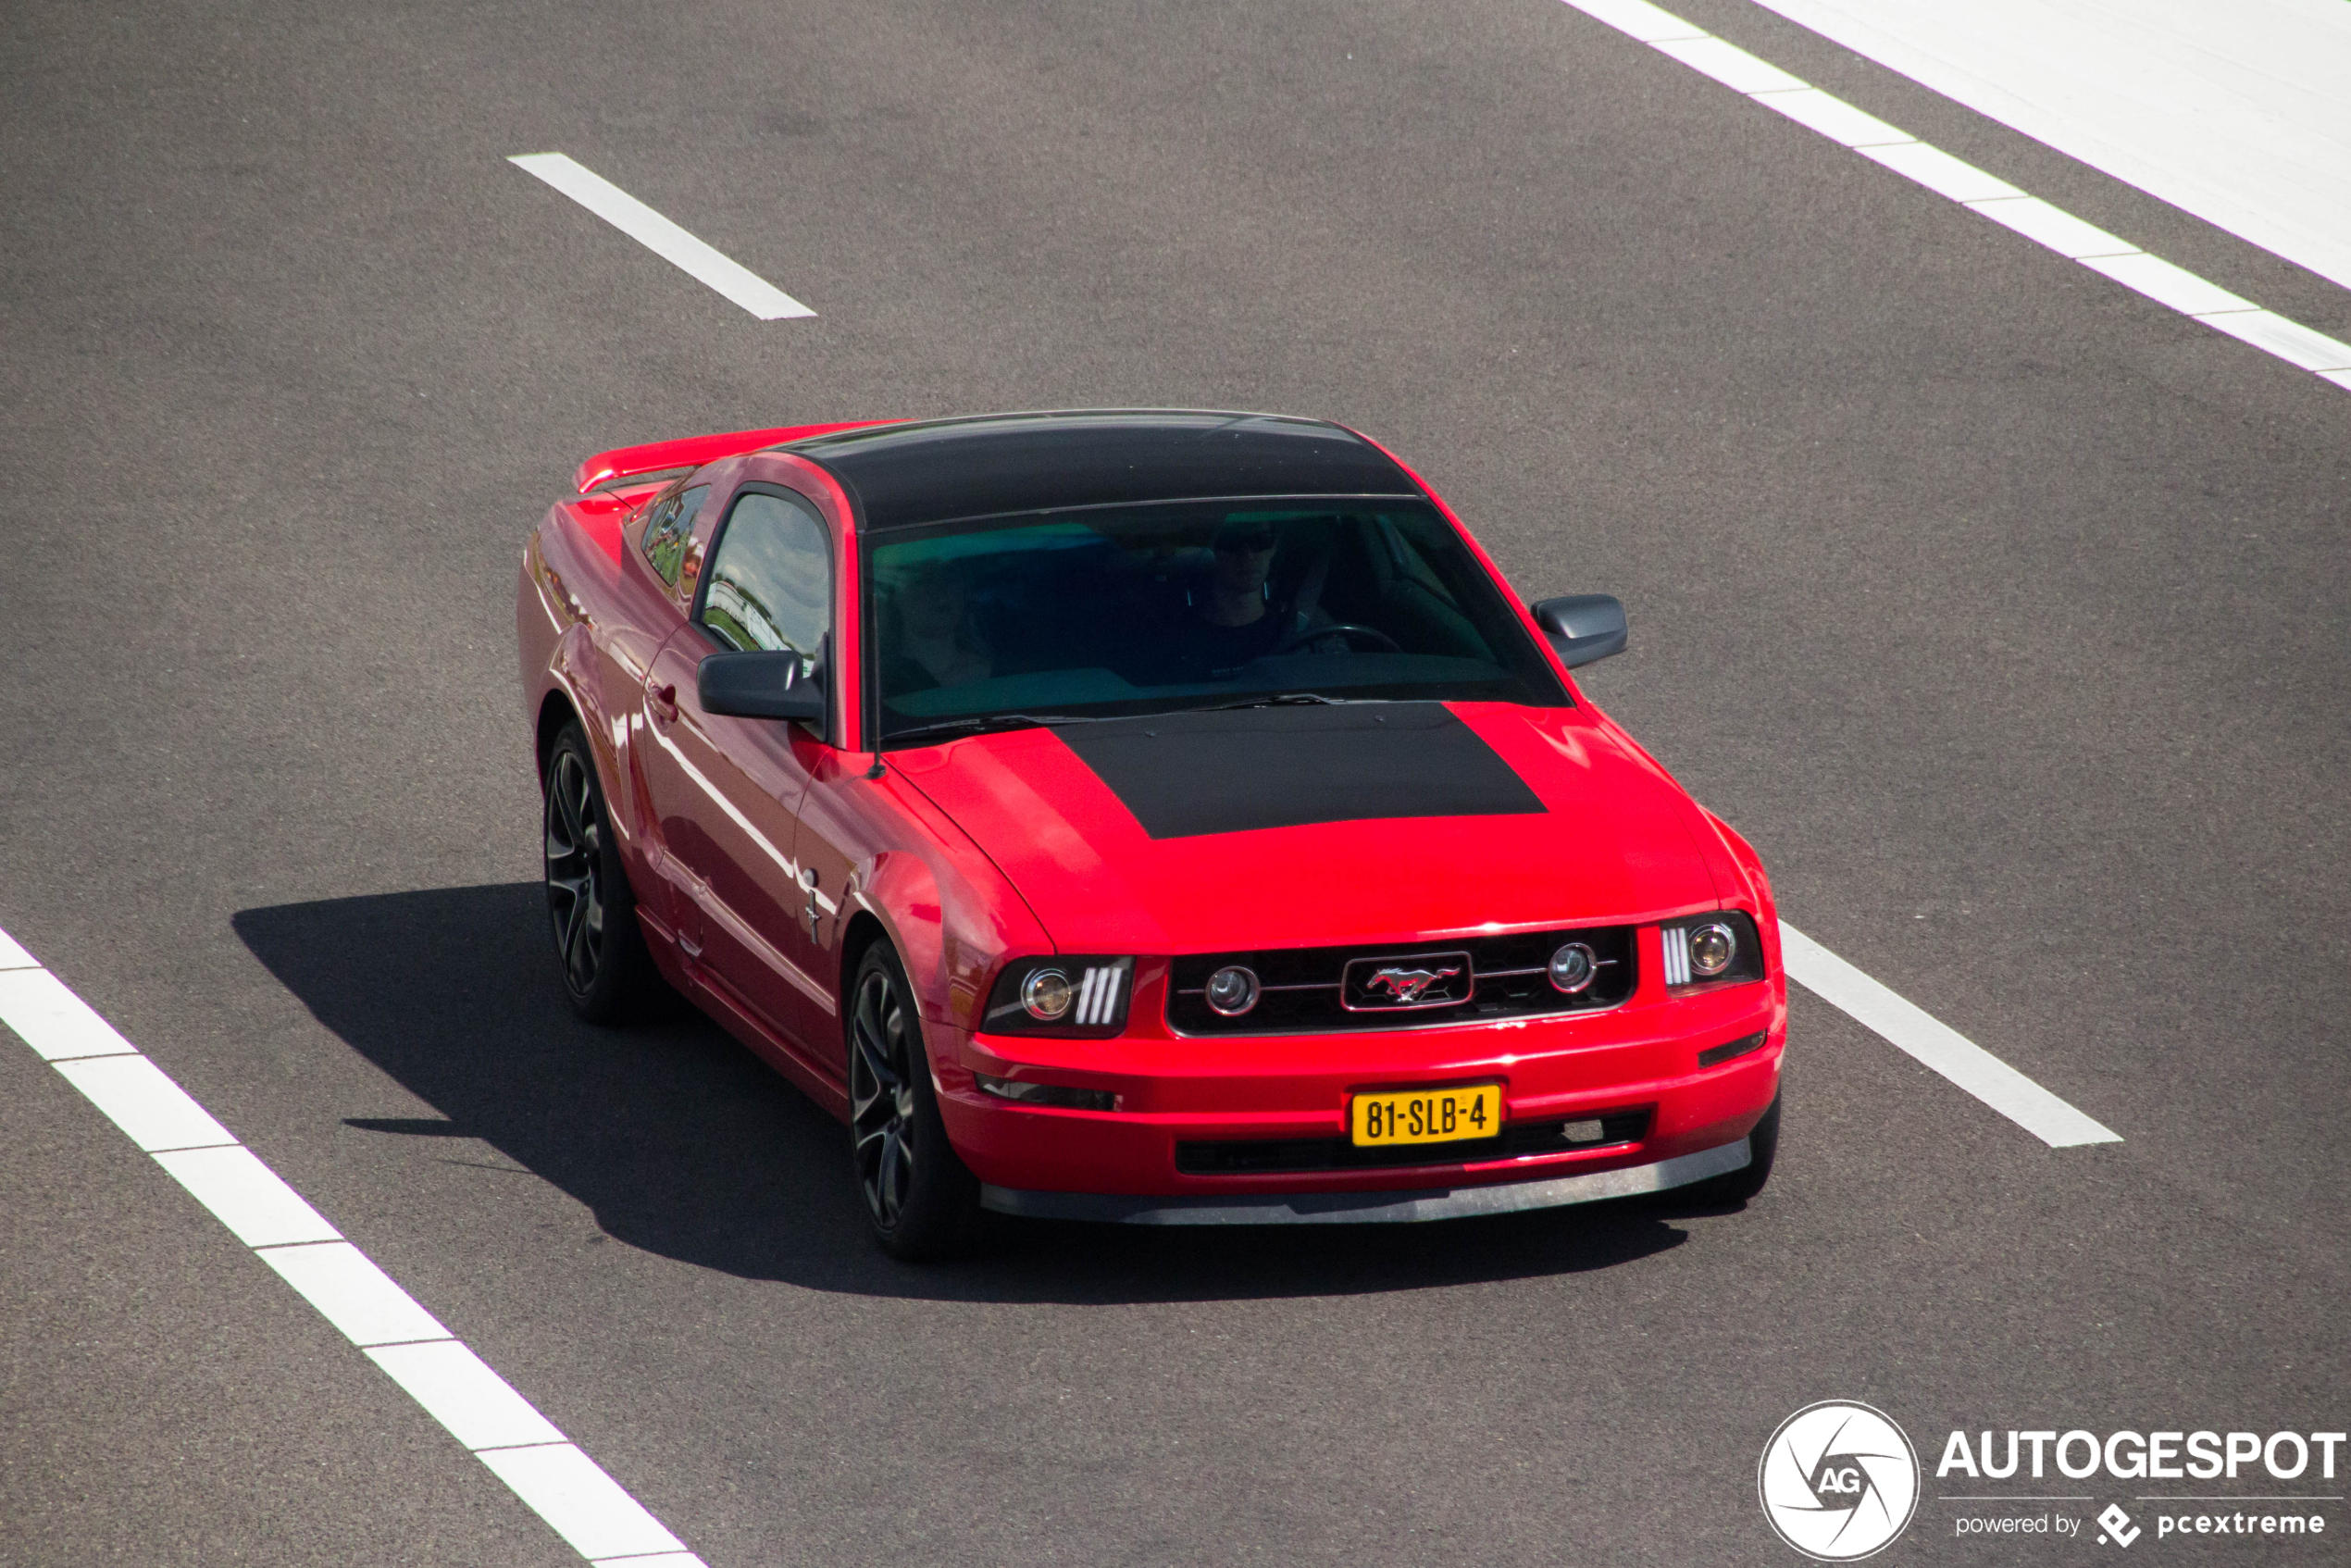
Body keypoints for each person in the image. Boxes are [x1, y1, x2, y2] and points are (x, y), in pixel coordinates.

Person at [882, 558, 993, 696]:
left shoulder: (1003, 675)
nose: (939, 590)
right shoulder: (877, 683)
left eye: (949, 576)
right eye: (920, 579)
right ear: (895, 597)